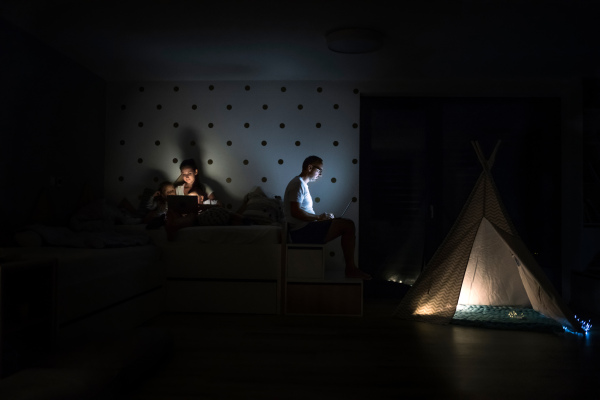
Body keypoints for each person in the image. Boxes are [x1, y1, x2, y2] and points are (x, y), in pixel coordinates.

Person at [283, 155, 371, 280]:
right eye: (319, 170)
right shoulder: (297, 184)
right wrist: (319, 218)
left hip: (305, 229)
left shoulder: (301, 184)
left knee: (345, 224)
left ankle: (351, 269)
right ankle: (351, 269)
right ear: (309, 167)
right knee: (348, 225)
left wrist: (321, 219)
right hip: (302, 232)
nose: (320, 174)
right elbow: (295, 212)